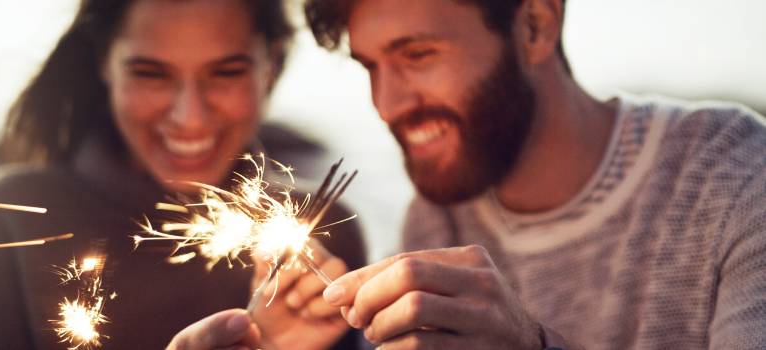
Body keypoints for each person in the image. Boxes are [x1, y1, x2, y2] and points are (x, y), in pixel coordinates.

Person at [173, 0, 766, 348]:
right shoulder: (434, 219)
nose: (386, 104)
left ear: (534, 24)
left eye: (417, 55)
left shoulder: (732, 174)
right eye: (371, 66)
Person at [0, 1, 365, 349]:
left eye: (225, 72)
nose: (189, 117)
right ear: (103, 62)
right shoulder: (7, 221)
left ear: (272, 64)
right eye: (151, 74)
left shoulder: (324, 232)